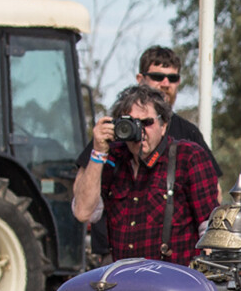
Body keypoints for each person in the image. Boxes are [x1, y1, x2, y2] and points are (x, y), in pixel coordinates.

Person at [73, 84, 221, 265]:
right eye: (131, 123)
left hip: (174, 283)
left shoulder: (188, 156)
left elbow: (212, 231)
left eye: (147, 123)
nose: (140, 131)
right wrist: (97, 153)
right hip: (124, 282)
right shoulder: (112, 158)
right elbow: (83, 213)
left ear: (164, 125)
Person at [135, 46, 222, 177]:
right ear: (140, 80)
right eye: (157, 77)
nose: (165, 84)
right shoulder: (118, 129)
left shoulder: (189, 133)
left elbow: (214, 189)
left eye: (172, 78)